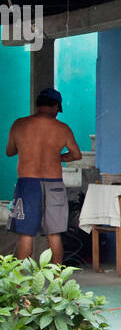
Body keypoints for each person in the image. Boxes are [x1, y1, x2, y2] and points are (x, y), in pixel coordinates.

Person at [6, 88, 82, 263]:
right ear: (56, 105)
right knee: (54, 234)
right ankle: (57, 281)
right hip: (54, 183)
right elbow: (76, 155)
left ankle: (20, 285)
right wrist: (57, 156)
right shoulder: (63, 128)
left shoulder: (19, 124)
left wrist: (27, 148)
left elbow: (10, 151)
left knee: (26, 234)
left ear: (38, 104)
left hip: (27, 184)